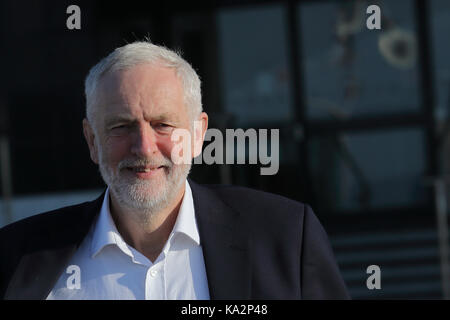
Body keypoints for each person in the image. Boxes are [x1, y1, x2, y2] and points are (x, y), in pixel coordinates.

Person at [0, 41, 349, 300]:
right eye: (120, 126)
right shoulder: (15, 259)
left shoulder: (286, 239)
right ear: (92, 141)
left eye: (163, 124)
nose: (144, 147)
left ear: (198, 135)